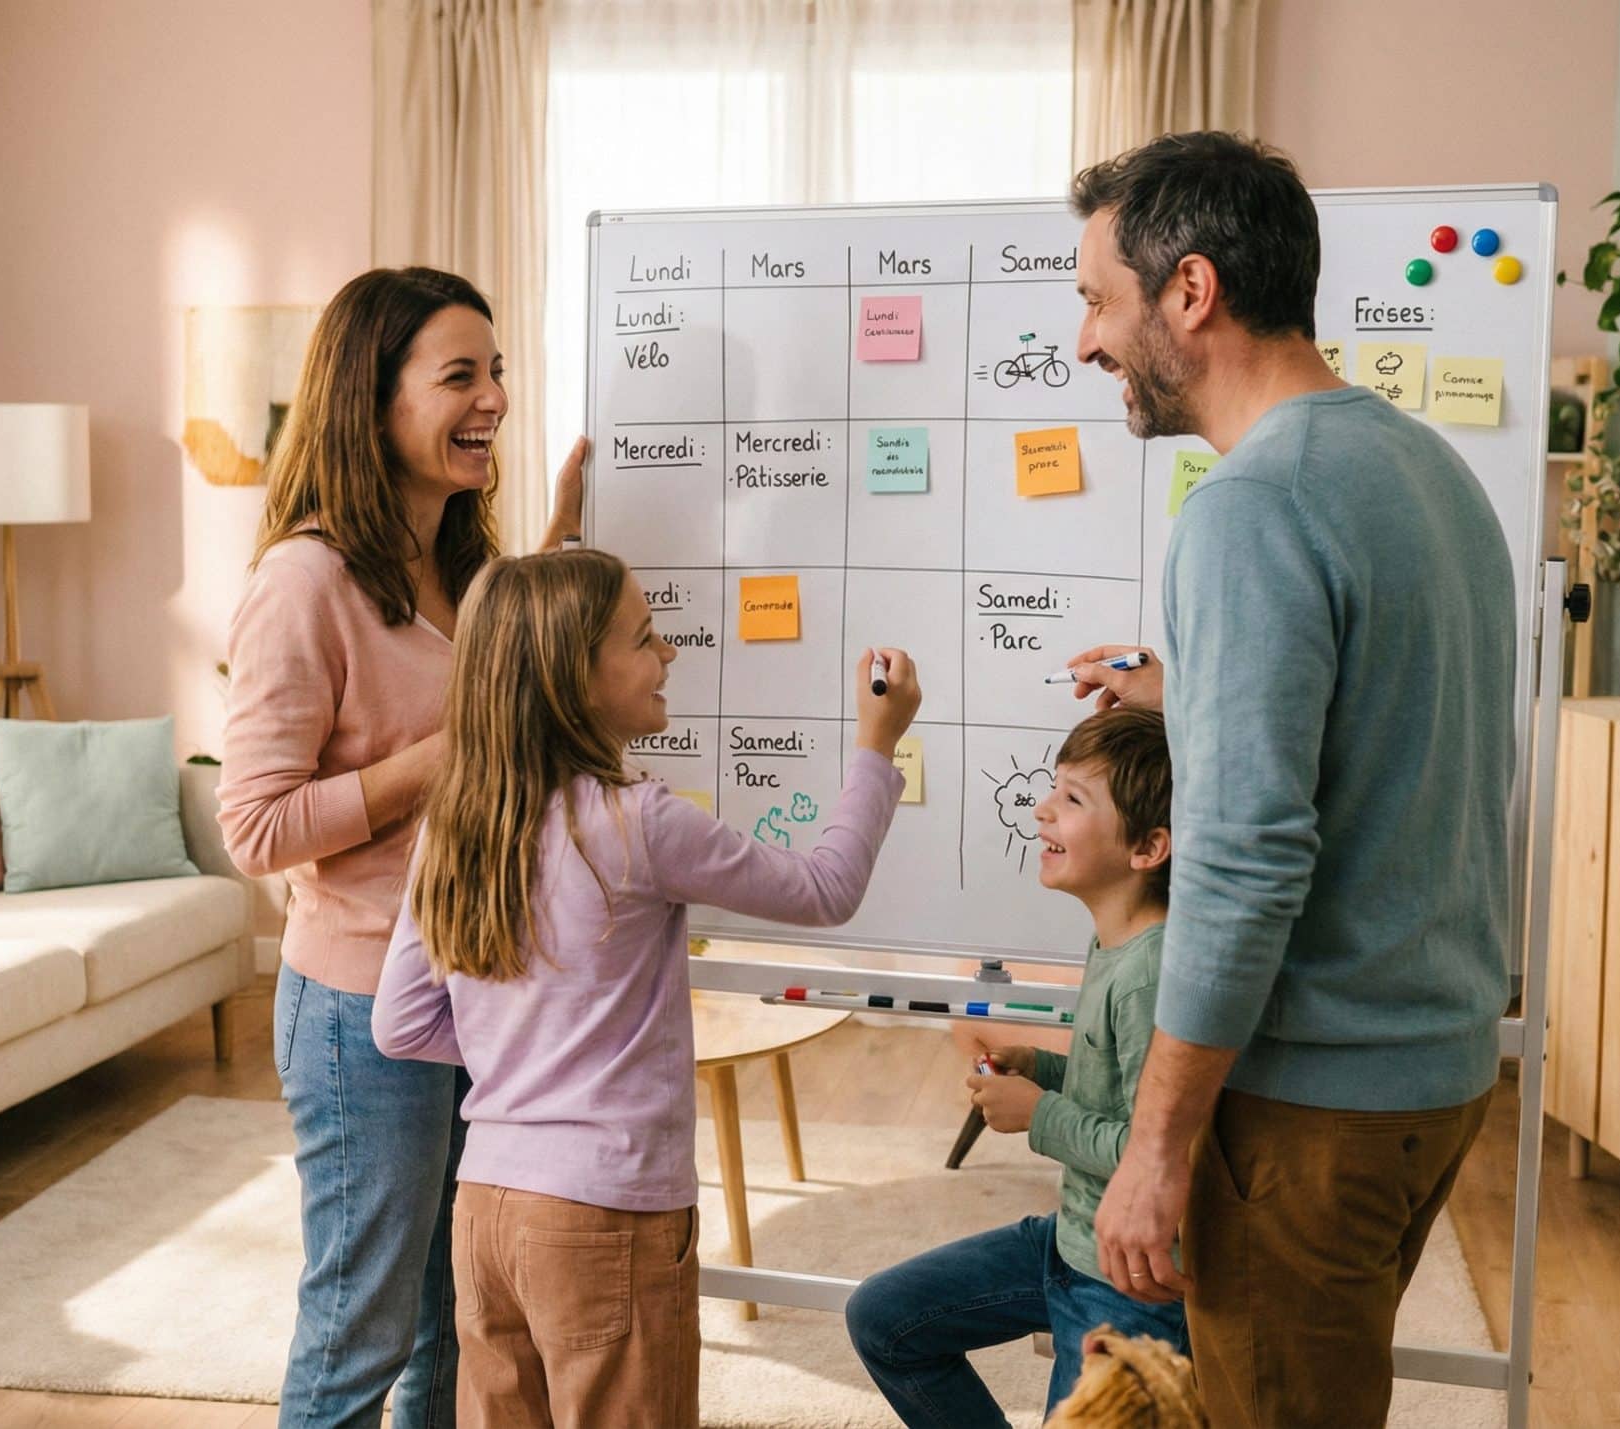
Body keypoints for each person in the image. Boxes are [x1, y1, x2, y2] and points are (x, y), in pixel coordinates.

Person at [1062, 132, 1517, 1427]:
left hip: (1312, 1104)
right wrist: (1197, 693)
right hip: (1434, 1072)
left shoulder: (1248, 506)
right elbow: (1392, 723)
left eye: (1098, 300)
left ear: (1189, 291)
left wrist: (1154, 1148)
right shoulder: (1426, 470)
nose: (1086, 342)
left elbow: (1246, 863)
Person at [371, 549, 921, 1428]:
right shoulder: (638, 822)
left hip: (485, 1210)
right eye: (645, 638)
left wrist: (527, 1050)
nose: (669, 653)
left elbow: (400, 1024)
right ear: (576, 677)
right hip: (606, 1213)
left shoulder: (456, 822)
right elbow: (826, 888)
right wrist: (876, 745)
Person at [218, 266, 587, 1429]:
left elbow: (493, 695)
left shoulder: (465, 566)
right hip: (357, 1008)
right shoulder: (303, 582)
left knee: (456, 1320)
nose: (495, 400)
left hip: (473, 989)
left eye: (497, 373)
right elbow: (254, 825)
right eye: (459, 376)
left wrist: (556, 554)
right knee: (361, 1328)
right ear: (371, 402)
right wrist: (446, 750)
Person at [845, 707, 1186, 1426]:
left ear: (1148, 847)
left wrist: (1039, 1115)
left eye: (1073, 798)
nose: (1042, 808)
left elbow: (1156, 1152)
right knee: (883, 1319)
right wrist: (1042, 1068)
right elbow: (1122, 1092)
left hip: (1125, 1284)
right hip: (1068, 1242)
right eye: (1053, 789)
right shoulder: (1115, 944)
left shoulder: (1150, 973)